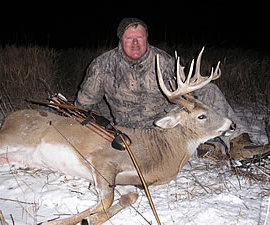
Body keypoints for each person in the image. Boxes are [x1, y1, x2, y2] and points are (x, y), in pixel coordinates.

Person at [75, 17, 269, 160]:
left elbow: (188, 97)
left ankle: (239, 144)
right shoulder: (102, 65)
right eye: (129, 38)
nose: (135, 43)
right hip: (131, 132)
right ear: (120, 39)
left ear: (147, 38)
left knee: (208, 90)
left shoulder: (165, 62)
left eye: (140, 37)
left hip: (168, 122)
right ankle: (206, 147)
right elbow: (84, 104)